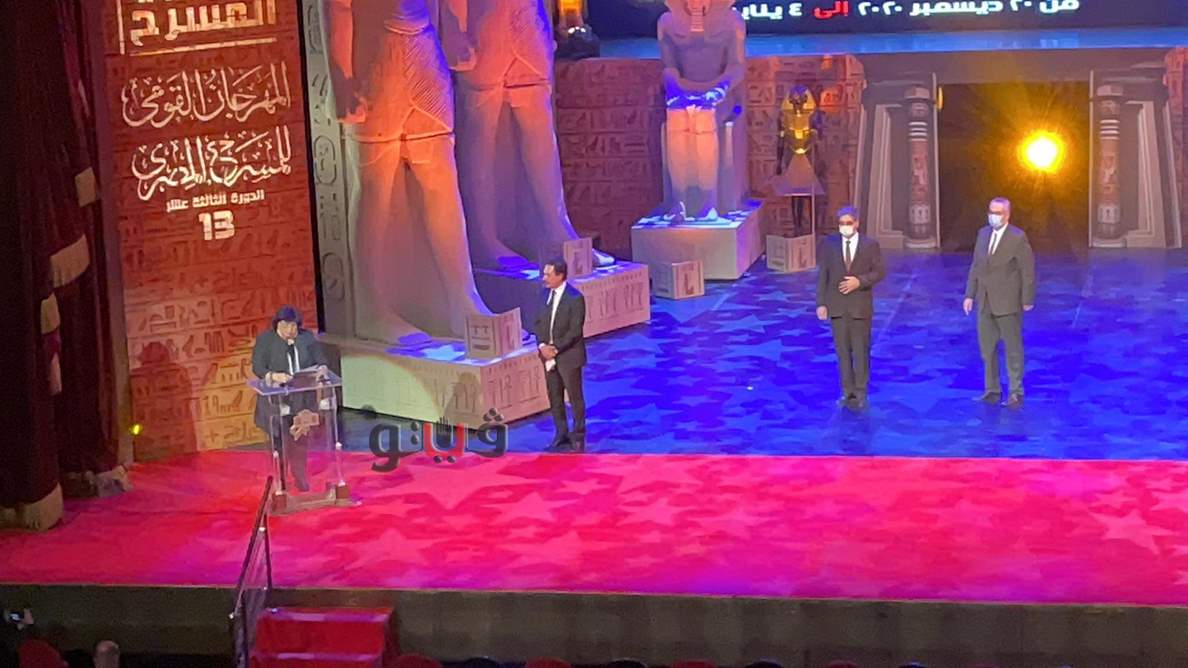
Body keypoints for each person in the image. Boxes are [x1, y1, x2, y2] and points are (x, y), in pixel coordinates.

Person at [964, 197, 1035, 408]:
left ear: (1007, 215)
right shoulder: (983, 234)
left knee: (1013, 349)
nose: (993, 216)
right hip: (985, 301)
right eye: (991, 212)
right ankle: (992, 390)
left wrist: (1027, 299)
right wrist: (969, 295)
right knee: (987, 349)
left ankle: (1016, 392)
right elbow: (976, 266)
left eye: (997, 213)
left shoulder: (1017, 238)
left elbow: (1027, 270)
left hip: (1007, 302)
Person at [251, 306, 329, 490]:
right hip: (275, 401)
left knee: (300, 441)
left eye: (294, 326)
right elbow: (258, 367)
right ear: (277, 325)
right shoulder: (265, 340)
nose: (290, 330)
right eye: (285, 325)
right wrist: (273, 376)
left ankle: (300, 476)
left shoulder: (307, 338)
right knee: (278, 443)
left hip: (302, 401)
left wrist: (322, 369)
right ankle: (280, 481)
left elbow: (321, 360)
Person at [816, 206, 886, 410]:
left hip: (860, 308)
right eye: (841, 224)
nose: (844, 227)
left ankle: (861, 392)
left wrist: (859, 281)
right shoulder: (829, 245)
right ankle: (848, 392)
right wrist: (821, 303)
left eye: (848, 223)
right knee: (843, 352)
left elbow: (880, 272)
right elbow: (823, 275)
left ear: (856, 223)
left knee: (860, 351)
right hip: (837, 307)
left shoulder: (869, 245)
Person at [533, 258, 587, 452]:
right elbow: (537, 323)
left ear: (560, 275)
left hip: (568, 356)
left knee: (574, 397)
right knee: (554, 396)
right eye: (544, 274)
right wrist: (542, 346)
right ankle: (561, 433)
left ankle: (578, 436)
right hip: (547, 356)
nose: (544, 278)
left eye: (548, 274)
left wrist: (554, 349)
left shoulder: (575, 298)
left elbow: (575, 331)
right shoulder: (543, 296)